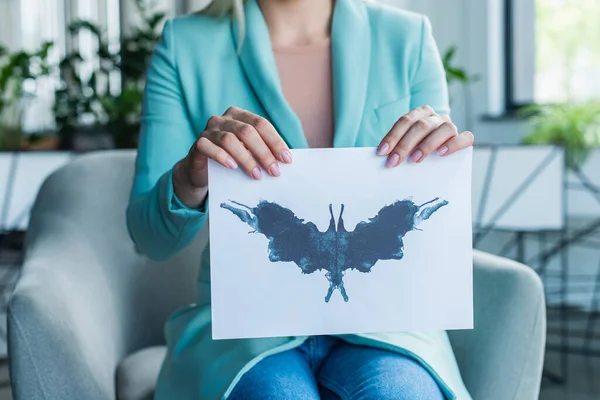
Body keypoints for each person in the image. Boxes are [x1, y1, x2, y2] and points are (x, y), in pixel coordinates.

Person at [126, 0, 475, 398]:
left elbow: (434, 227)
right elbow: (150, 238)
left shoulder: (406, 38)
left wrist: (441, 156)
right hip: (245, 324)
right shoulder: (185, 45)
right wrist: (191, 178)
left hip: (389, 322)